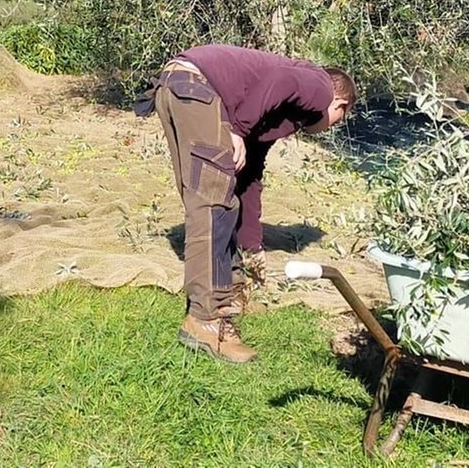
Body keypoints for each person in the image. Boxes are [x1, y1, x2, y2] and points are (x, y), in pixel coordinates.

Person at [149, 44, 356, 363]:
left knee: (217, 195)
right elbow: (282, 80)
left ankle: (228, 297)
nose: (332, 125)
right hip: (198, 89)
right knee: (213, 204)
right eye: (340, 118)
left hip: (178, 85)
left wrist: (253, 246)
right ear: (339, 102)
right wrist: (236, 130)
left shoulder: (275, 111)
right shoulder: (319, 87)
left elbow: (250, 179)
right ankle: (206, 322)